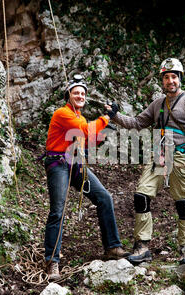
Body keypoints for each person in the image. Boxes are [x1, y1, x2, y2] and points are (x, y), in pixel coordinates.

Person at [106, 58, 185, 264]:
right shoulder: (158, 104)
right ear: (162, 81)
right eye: (166, 77)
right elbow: (137, 123)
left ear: (179, 79)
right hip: (159, 155)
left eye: (173, 76)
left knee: (182, 203)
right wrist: (115, 115)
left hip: (181, 156)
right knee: (141, 195)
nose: (170, 81)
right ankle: (142, 245)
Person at [43, 74, 130, 281]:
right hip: (58, 164)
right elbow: (82, 130)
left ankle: (112, 247)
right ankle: (52, 261)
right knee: (58, 210)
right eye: (76, 93)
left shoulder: (80, 117)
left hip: (75, 163)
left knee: (104, 197)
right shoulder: (62, 113)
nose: (80, 96)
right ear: (69, 95)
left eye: (82, 93)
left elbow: (88, 138)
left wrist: (103, 131)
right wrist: (106, 117)